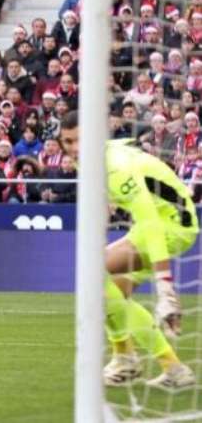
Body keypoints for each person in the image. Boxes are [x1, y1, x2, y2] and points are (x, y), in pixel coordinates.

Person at [60, 111, 197, 388]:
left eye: (80, 140)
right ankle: (169, 368)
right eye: (68, 141)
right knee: (110, 294)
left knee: (94, 273)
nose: (74, 148)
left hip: (170, 226)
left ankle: (128, 359)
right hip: (156, 225)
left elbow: (151, 222)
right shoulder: (90, 160)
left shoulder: (116, 168)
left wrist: (164, 285)